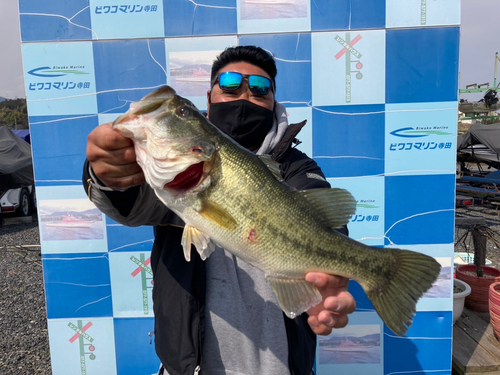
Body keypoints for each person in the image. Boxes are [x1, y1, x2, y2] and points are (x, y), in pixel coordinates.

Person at [83, 45, 356, 375]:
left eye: (260, 88)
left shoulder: (297, 167)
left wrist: (329, 273)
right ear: (209, 97)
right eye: (229, 84)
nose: (244, 94)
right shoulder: (174, 179)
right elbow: (131, 205)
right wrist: (107, 175)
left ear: (273, 102)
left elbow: (325, 219)